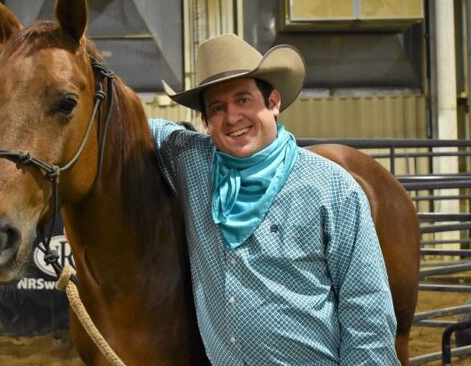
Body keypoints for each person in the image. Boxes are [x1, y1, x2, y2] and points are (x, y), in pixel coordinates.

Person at [148, 33, 399, 365]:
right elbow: (127, 124)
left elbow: (366, 306)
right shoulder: (191, 163)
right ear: (206, 123)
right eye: (217, 108)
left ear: (274, 102)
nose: (232, 117)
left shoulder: (332, 187)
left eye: (243, 100)